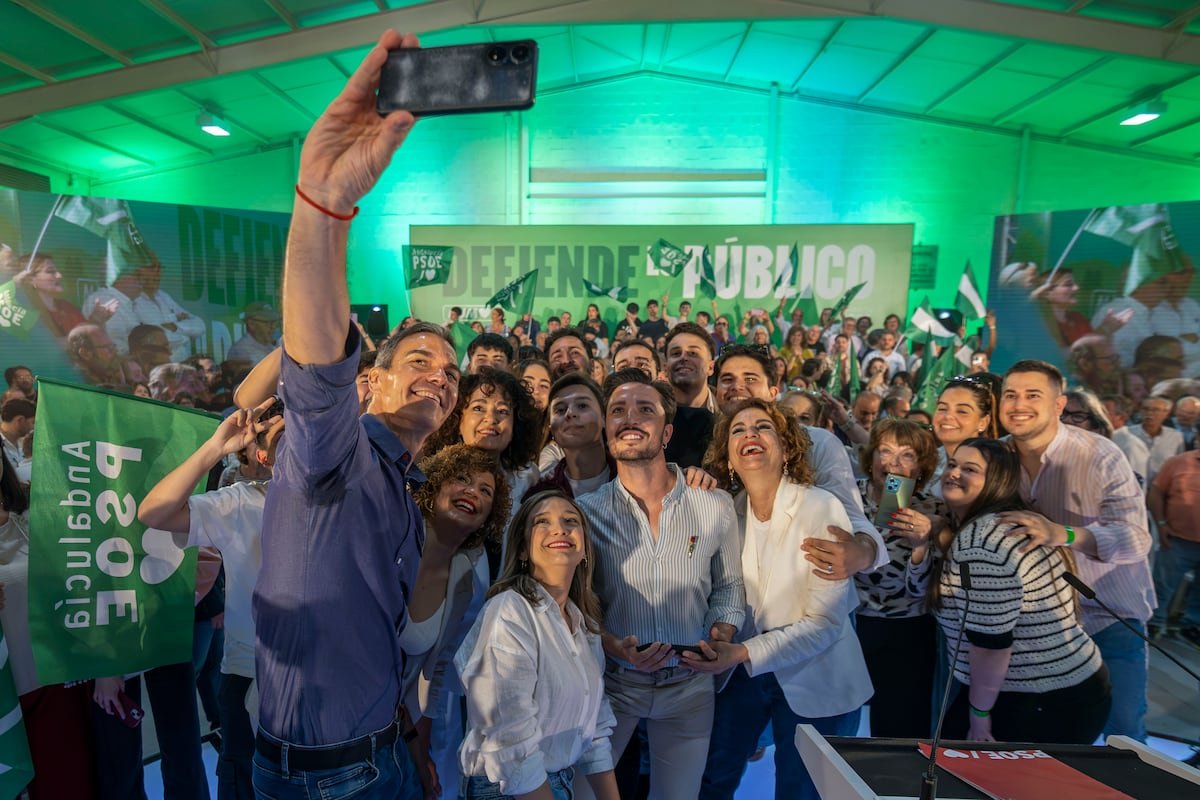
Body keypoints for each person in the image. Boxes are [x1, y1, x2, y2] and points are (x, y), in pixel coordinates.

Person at [251, 30, 457, 799]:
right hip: (325, 780)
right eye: (418, 363)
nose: (440, 379)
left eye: (452, 373)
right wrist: (324, 208)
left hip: (385, 753)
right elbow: (313, 367)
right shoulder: (329, 455)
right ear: (367, 386)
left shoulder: (409, 488)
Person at [574, 370, 745, 800]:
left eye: (644, 410)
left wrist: (721, 634)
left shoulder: (714, 504)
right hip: (612, 684)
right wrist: (611, 644)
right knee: (582, 795)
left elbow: (727, 587)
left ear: (666, 431)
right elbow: (574, 602)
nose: (629, 418)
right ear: (607, 430)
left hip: (689, 686)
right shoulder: (583, 513)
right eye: (618, 411)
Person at [687, 399, 870, 799]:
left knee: (799, 790)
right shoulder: (726, 511)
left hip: (818, 673)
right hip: (744, 672)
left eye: (762, 427)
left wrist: (740, 652)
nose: (749, 434)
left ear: (787, 449)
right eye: (738, 430)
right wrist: (722, 629)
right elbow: (723, 591)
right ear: (729, 457)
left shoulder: (820, 507)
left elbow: (824, 624)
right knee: (713, 777)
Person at [996, 360, 1152, 741]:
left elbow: (1135, 536)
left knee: (1124, 736)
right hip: (1036, 623)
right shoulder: (995, 457)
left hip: (1109, 615)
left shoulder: (1100, 454)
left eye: (1033, 395)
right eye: (1010, 395)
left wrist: (1064, 534)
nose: (1019, 404)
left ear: (1059, 405)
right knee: (1043, 738)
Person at [139, 397, 284, 800]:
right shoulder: (241, 501)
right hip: (251, 672)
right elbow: (155, 513)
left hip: (327, 677)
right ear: (262, 455)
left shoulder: (343, 499)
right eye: (282, 437)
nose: (298, 444)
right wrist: (214, 449)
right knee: (245, 785)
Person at [930, 438, 1111, 743]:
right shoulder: (999, 523)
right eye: (952, 464)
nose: (954, 473)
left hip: (1040, 698)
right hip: (1060, 685)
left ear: (998, 481)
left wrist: (979, 718)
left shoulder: (981, 541)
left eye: (970, 469)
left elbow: (990, 647)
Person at [456, 491, 620, 800]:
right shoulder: (508, 612)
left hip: (556, 782)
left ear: (584, 548)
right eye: (542, 522)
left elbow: (595, 729)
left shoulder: (584, 625)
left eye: (570, 521)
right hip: (507, 789)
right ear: (521, 550)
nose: (560, 528)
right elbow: (510, 740)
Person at [403, 444, 511, 800]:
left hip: (391, 735)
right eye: (461, 479)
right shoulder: (395, 539)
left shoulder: (464, 576)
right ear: (433, 486)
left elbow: (430, 677)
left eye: (485, 491)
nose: (472, 492)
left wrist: (423, 757)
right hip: (321, 728)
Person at [0, 450, 98, 799]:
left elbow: (76, 568)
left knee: (70, 782)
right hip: (6, 689)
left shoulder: (33, 507)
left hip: (57, 675)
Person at [853, 419, 945, 738]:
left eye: (907, 455)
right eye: (885, 451)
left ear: (921, 468)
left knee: (899, 730)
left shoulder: (932, 509)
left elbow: (921, 591)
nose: (893, 463)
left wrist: (920, 546)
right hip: (853, 625)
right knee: (841, 726)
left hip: (908, 630)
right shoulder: (846, 500)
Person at [422, 368, 542, 532]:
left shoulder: (528, 478)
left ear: (516, 426)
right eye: (478, 408)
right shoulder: (428, 474)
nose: (491, 419)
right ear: (457, 419)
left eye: (502, 411)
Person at [1148, 448, 1200, 643]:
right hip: (1177, 540)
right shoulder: (1178, 462)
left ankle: (1192, 626)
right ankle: (1154, 623)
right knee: (1163, 584)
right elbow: (1156, 492)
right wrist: (1161, 524)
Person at [1128, 395, 1185, 483]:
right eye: (1146, 409)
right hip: (1133, 485)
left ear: (1166, 413)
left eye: (1155, 410)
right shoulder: (1126, 434)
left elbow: (1180, 466)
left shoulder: (1176, 437)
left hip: (1163, 487)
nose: (1149, 413)